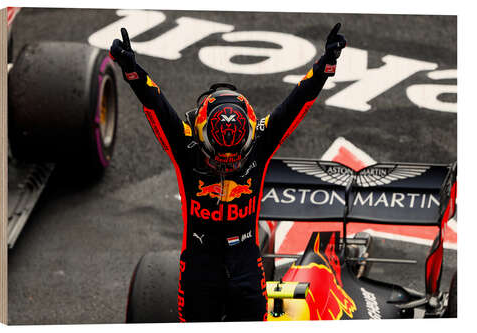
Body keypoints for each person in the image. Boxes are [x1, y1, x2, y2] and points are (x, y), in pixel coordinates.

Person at [110, 23, 346, 322]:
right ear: (202, 138)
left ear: (248, 137)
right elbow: (156, 105)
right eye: (220, 159)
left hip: (246, 264)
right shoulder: (185, 148)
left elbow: (295, 103)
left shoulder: (260, 142)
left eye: (236, 159)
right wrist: (132, 70)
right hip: (199, 268)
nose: (228, 165)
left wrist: (325, 66)